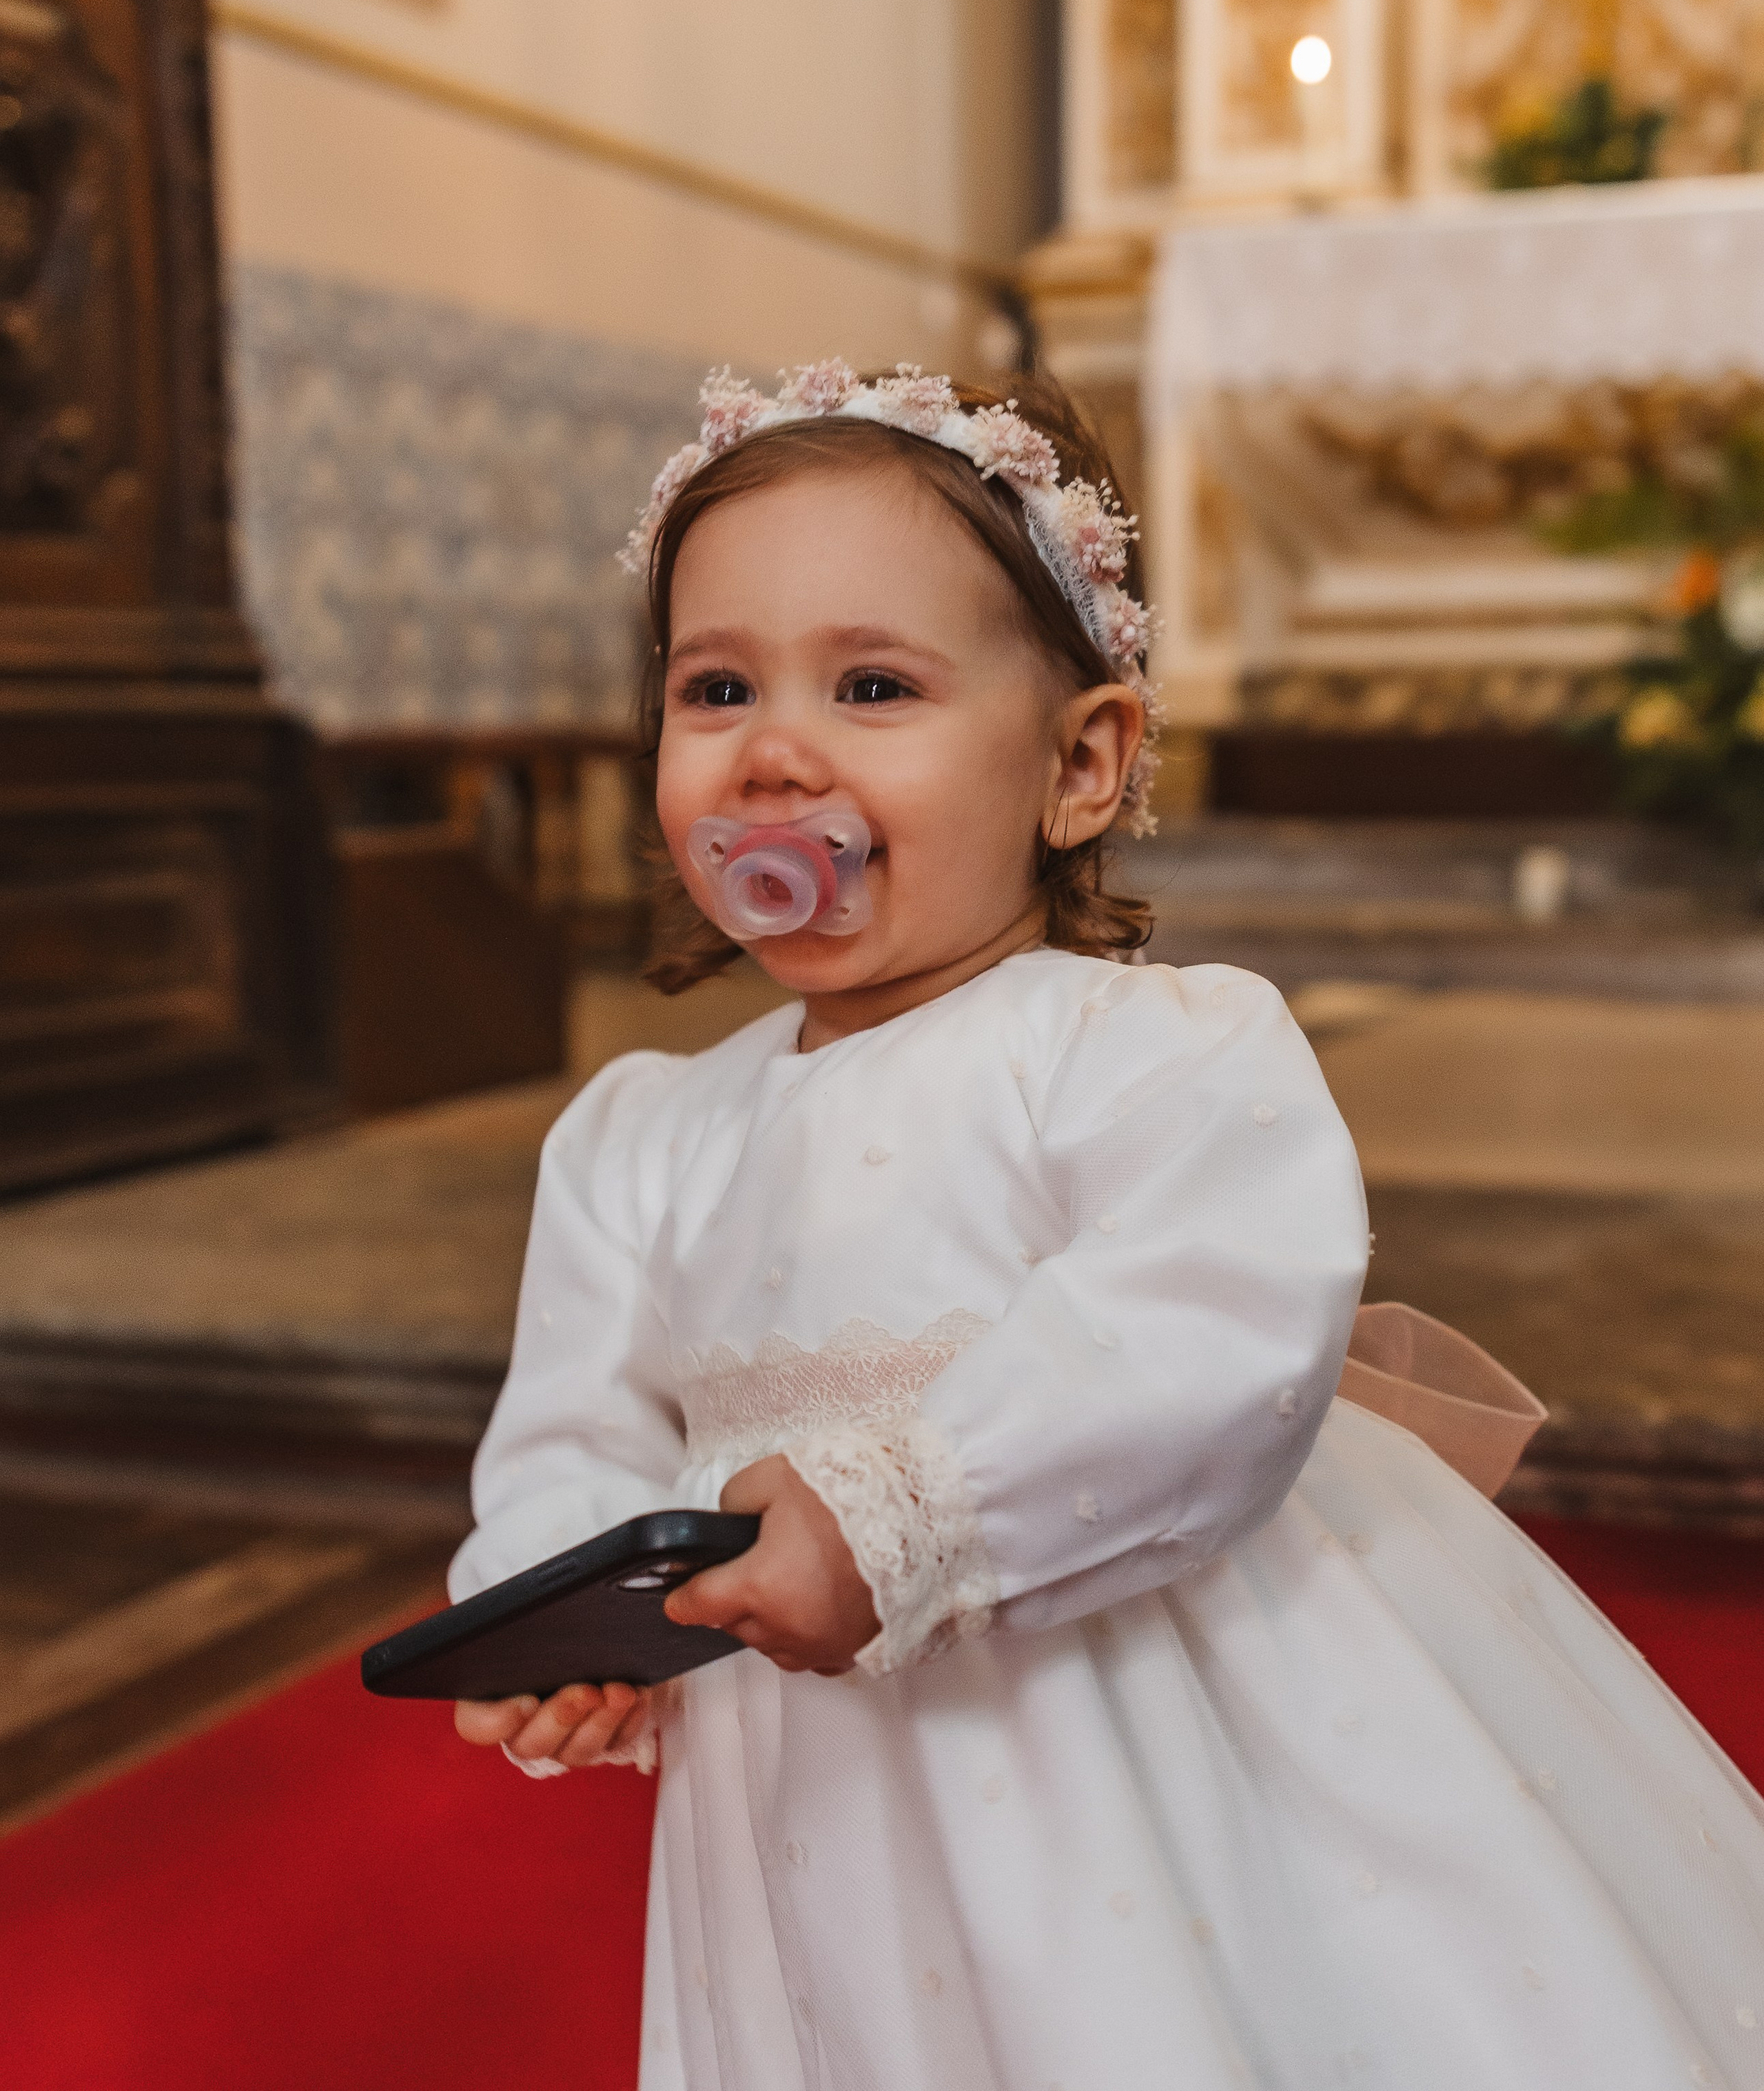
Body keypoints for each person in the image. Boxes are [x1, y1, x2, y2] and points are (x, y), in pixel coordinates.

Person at [449, 363, 1764, 2091]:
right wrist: (558, 1611)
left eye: (870, 684)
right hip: (810, 1779)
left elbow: (1202, 1326)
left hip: (1125, 1708)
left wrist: (896, 1515)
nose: (775, 750)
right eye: (714, 687)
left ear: (1082, 762)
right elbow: (575, 1430)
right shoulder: (638, 1139)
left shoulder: (1149, 1051)